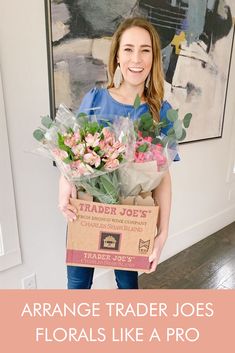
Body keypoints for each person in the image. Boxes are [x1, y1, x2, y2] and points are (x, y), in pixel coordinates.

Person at [58, 17, 178, 289]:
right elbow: (71, 155)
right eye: (128, 49)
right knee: (77, 291)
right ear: (117, 56)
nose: (136, 58)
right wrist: (63, 186)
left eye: (145, 50)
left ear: (154, 57)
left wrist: (163, 233)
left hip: (132, 217)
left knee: (128, 289)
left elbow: (163, 178)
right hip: (87, 212)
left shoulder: (161, 112)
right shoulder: (95, 99)